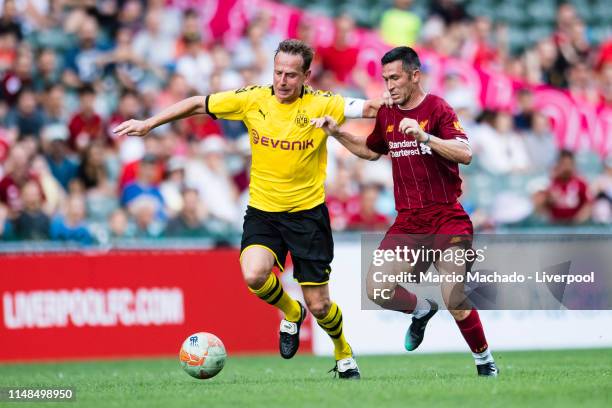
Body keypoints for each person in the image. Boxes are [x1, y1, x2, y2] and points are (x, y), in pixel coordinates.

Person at [113, 39, 388, 379]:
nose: (282, 81)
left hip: (307, 216)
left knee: (320, 305)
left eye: (291, 75)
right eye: (278, 72)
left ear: (306, 75)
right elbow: (199, 103)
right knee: (254, 275)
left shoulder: (324, 104)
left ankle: (343, 351)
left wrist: (395, 100)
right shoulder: (252, 99)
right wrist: (149, 123)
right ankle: (290, 312)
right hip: (263, 211)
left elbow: (371, 107)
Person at [314, 46, 499, 377]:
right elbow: (371, 152)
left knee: (454, 295)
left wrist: (425, 136)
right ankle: (421, 310)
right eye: (385, 79)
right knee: (378, 289)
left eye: (395, 77)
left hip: (446, 217)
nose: (389, 85)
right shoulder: (385, 113)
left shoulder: (438, 108)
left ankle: (484, 361)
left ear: (415, 75)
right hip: (409, 222)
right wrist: (337, 133)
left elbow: (465, 153)